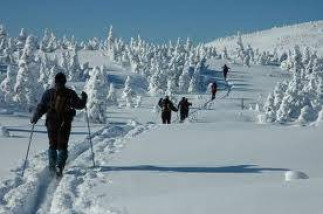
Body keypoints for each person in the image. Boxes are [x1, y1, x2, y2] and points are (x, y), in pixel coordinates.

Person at [30, 72, 88, 177]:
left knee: (52, 144)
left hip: (51, 121)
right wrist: (84, 98)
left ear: (55, 81)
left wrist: (35, 117)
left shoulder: (49, 93)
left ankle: (52, 167)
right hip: (65, 122)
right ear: (65, 81)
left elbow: (42, 106)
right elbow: (79, 106)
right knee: (63, 146)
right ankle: (59, 166)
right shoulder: (70, 93)